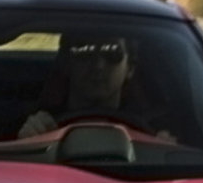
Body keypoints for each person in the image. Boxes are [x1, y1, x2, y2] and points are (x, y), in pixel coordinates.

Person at [19, 33, 176, 141]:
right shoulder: (40, 126)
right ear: (67, 64)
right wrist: (27, 144)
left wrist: (164, 152)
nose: (98, 65)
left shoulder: (153, 132)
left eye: (113, 53)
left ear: (130, 68)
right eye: (84, 51)